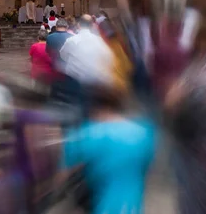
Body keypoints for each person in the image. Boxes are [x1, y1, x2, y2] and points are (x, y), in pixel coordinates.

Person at [59, 85, 156, 214]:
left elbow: (64, 176)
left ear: (93, 107)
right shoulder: (145, 132)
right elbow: (147, 170)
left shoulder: (85, 134)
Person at [59, 15, 116, 88]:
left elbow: (63, 55)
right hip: (94, 82)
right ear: (92, 26)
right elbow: (108, 58)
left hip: (75, 82)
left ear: (78, 25)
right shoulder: (100, 41)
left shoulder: (71, 41)